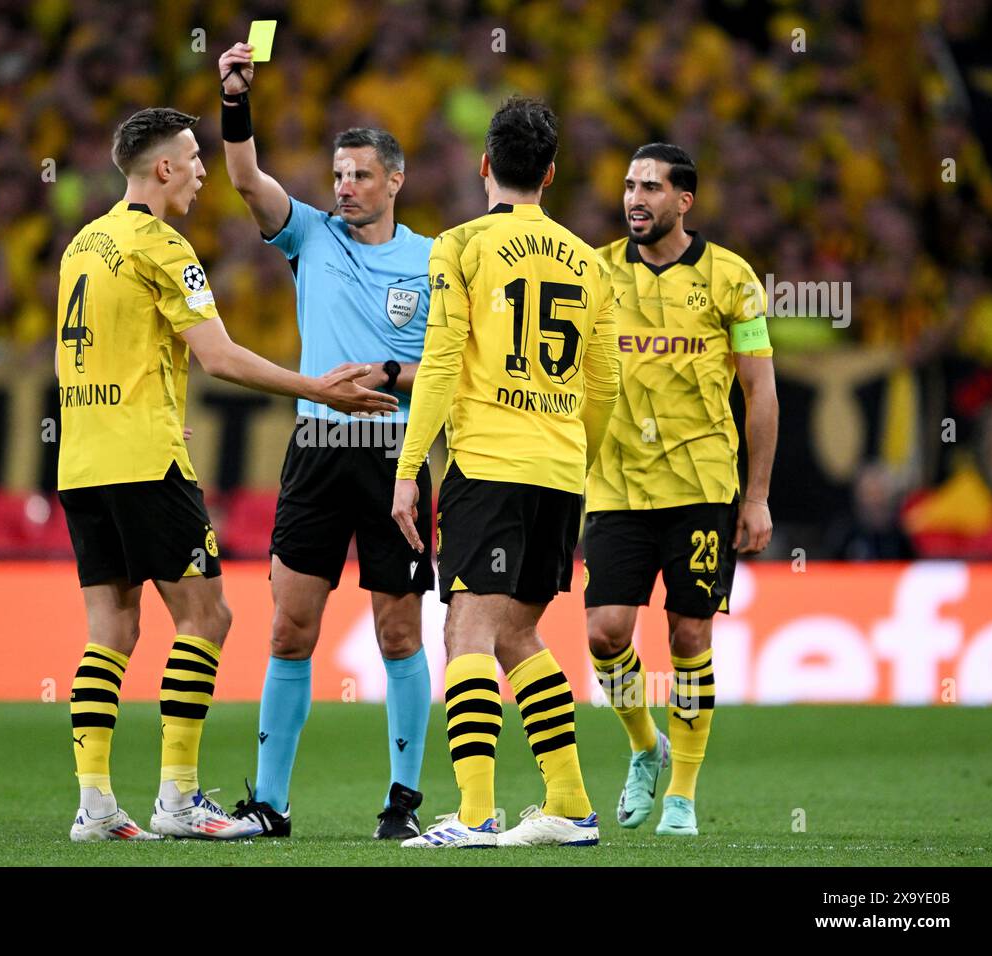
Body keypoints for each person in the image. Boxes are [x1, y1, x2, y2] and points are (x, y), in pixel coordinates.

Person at [57, 107, 397, 842]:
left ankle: (95, 806)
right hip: (145, 463)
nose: (204, 170)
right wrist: (317, 388)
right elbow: (219, 356)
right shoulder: (160, 245)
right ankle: (178, 800)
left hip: (83, 460)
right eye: (192, 157)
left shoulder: (83, 243)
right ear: (164, 169)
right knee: (206, 619)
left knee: (110, 629)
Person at [217, 41, 436, 839]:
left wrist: (387, 372)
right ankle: (269, 804)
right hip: (315, 449)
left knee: (399, 630)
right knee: (289, 628)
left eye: (360, 175)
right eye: (339, 174)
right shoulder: (309, 234)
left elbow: (447, 368)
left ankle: (403, 805)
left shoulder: (433, 261)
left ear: (395, 180)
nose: (344, 188)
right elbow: (244, 177)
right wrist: (237, 98)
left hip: (395, 457)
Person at [391, 97, 619, 848]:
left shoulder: (458, 247)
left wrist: (407, 469)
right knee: (518, 632)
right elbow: (606, 383)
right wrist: (572, 455)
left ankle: (479, 813)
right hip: (558, 471)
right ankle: (571, 805)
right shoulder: (590, 262)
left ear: (486, 164)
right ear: (550, 173)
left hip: (488, 465)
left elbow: (442, 360)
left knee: (468, 631)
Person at [585, 143, 778, 837]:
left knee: (690, 634)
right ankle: (645, 746)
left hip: (702, 484)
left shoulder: (732, 278)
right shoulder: (597, 271)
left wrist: (755, 497)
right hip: (614, 485)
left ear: (683, 201)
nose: (634, 199)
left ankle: (684, 796)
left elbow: (759, 390)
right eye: (629, 186)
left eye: (650, 188)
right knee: (605, 633)